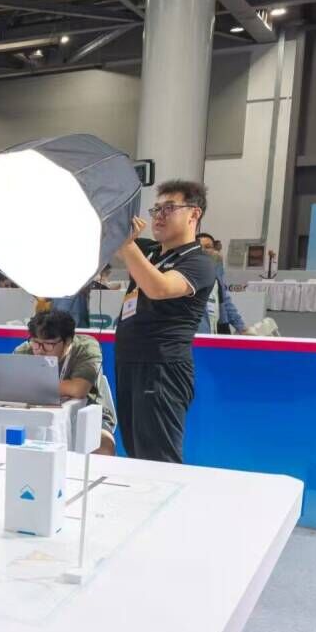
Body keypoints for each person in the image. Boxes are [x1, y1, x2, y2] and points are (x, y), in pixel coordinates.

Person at [114, 180, 218, 464]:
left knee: (159, 460)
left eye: (169, 208)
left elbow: (159, 288)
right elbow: (105, 242)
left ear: (194, 214)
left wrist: (127, 244)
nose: (158, 216)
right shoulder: (149, 251)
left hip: (162, 369)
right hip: (129, 363)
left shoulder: (199, 263)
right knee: (136, 453)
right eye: (156, 209)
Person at [14, 310, 117, 455]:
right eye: (36, 342)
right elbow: (12, 385)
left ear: (68, 341)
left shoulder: (87, 347)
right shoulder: (25, 350)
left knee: (103, 448)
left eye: (48, 344)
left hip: (86, 413)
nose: (40, 350)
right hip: (36, 414)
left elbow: (79, 389)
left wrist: (31, 385)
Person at [196, 232, 248, 335]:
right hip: (197, 334)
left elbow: (225, 301)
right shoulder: (186, 274)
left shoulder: (217, 273)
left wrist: (241, 327)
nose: (203, 250)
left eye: (208, 247)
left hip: (216, 329)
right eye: (199, 247)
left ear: (213, 250)